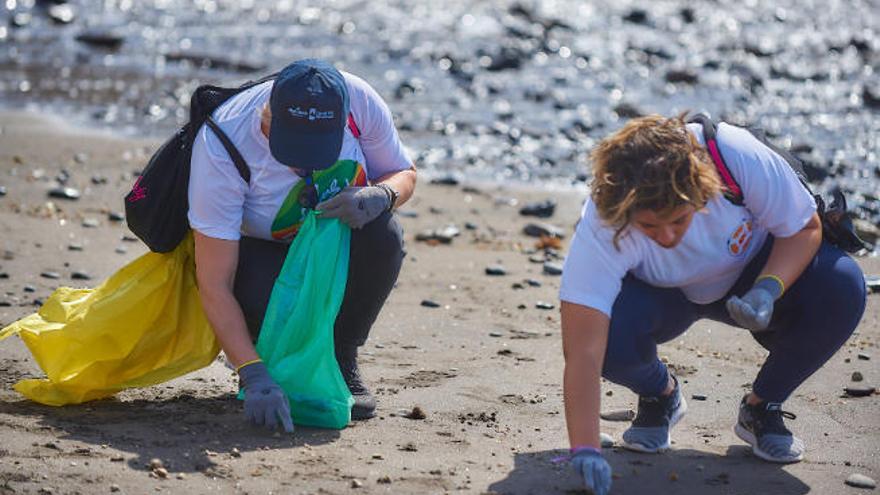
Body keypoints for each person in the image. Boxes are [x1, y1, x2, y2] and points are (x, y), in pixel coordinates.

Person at [558, 114, 866, 494]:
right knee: (607, 336)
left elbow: (804, 228)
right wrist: (585, 447)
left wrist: (768, 288)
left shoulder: (737, 158)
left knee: (843, 286)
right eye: (650, 227)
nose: (668, 237)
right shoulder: (603, 223)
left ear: (702, 186)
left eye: (678, 220)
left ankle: (761, 407)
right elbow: (583, 350)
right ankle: (661, 394)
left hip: (754, 270)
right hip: (662, 297)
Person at [188, 59, 416, 431]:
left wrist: (381, 194)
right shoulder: (223, 143)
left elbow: (403, 172)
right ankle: (270, 358)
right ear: (268, 121)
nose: (304, 166)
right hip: (258, 255)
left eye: (317, 152)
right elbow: (214, 282)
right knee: (260, 300)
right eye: (292, 151)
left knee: (384, 235)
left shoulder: (360, 101)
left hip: (331, 241)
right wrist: (252, 374)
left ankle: (341, 356)